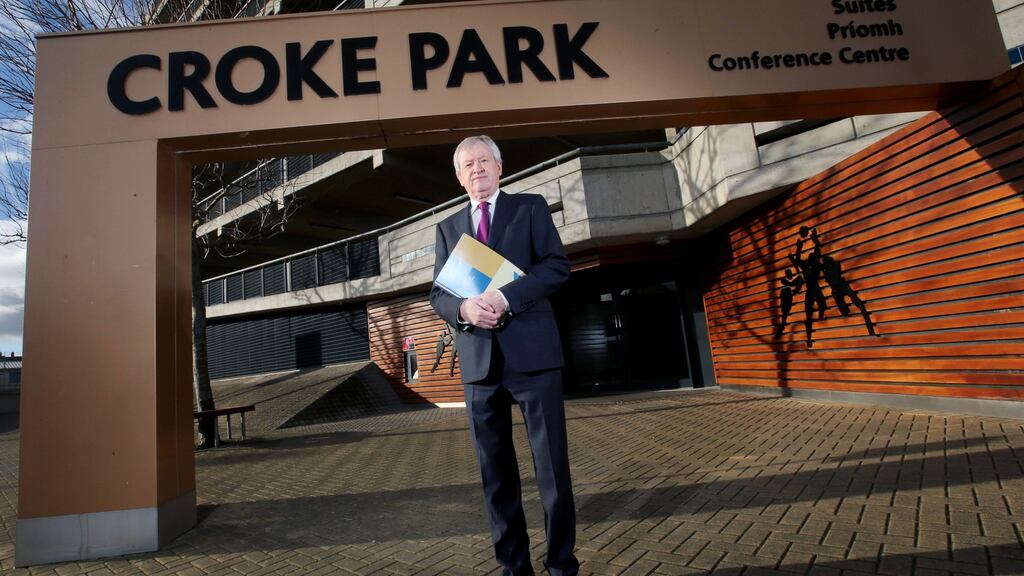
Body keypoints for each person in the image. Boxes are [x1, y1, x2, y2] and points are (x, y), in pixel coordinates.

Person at [430, 135, 578, 576]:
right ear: (459, 178)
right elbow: (438, 292)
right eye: (467, 165)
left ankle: (561, 565)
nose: (476, 169)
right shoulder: (447, 227)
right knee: (495, 477)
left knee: (551, 470)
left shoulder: (530, 208)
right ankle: (514, 567)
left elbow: (556, 266)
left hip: (534, 358)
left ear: (499, 166)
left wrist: (504, 296)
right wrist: (464, 308)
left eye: (483, 161)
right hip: (480, 366)